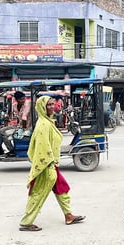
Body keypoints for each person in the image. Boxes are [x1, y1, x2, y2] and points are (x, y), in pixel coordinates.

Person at [19, 96, 85, 231]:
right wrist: (49, 165)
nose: (51, 107)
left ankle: (68, 215)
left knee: (62, 189)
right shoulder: (44, 124)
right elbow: (43, 147)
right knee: (38, 193)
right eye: (48, 105)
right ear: (42, 107)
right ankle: (26, 222)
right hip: (47, 165)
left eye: (52, 104)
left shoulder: (48, 121)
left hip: (52, 164)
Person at [0, 91, 32, 155]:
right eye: (21, 99)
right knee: (1, 130)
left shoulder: (28, 103)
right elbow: (10, 116)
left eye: (23, 98)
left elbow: (24, 118)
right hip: (19, 125)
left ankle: (11, 150)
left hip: (27, 127)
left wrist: (23, 130)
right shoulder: (14, 106)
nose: (23, 100)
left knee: (6, 133)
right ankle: (10, 149)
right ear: (17, 100)